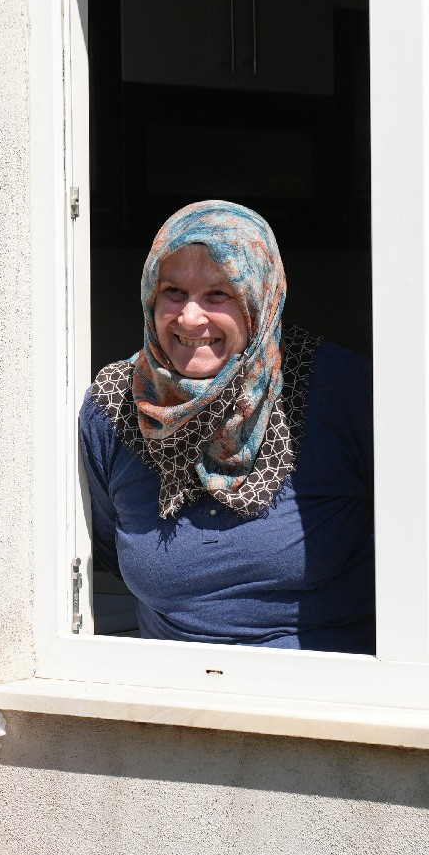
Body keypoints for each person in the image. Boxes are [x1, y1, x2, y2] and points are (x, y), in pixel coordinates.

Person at [81, 200, 374, 651]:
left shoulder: (343, 391)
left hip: (322, 699)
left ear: (260, 298)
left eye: (218, 294)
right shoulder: (116, 404)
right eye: (172, 292)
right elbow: (104, 545)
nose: (190, 318)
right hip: (169, 698)